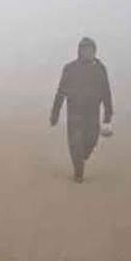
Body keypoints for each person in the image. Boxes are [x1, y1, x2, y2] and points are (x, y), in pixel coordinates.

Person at [50, 37, 114, 183]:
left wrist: (108, 115)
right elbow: (60, 92)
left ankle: (83, 155)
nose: (87, 53)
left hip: (92, 112)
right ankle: (78, 172)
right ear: (79, 51)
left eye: (90, 50)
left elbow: (106, 92)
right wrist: (55, 113)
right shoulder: (70, 69)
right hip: (74, 113)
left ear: (94, 51)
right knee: (75, 143)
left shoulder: (99, 69)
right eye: (84, 50)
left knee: (91, 140)